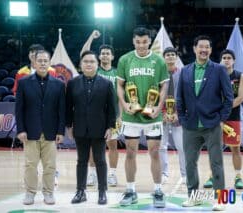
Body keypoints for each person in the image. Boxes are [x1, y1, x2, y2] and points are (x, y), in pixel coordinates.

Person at [176, 35, 233, 210]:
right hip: (190, 126)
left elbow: (229, 98)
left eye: (207, 47)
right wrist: (183, 119)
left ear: (210, 50)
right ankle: (193, 196)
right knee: (189, 163)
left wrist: (221, 119)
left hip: (212, 125)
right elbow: (179, 99)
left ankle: (221, 200)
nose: (204, 50)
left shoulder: (219, 70)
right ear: (194, 49)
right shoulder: (185, 71)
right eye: (201, 47)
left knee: (216, 163)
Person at [116, 27, 169, 208]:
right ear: (133, 41)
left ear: (149, 41)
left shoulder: (159, 61)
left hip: (152, 116)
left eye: (144, 42)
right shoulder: (125, 60)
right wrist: (124, 105)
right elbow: (120, 85)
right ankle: (130, 190)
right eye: (138, 42)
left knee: (155, 152)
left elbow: (164, 87)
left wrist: (159, 107)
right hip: (131, 116)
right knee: (130, 152)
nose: (141, 45)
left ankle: (158, 190)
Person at [15, 50, 65, 205]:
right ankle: (30, 193)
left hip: (50, 132)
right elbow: (19, 109)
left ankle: (48, 193)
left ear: (50, 63)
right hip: (30, 132)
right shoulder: (23, 83)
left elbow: (61, 110)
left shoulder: (59, 84)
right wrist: (21, 129)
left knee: (50, 165)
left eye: (45, 60)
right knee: (30, 165)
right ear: (34, 63)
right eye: (40, 60)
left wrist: (60, 131)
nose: (43, 63)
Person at [66, 50, 116, 205]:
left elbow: (112, 109)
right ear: (81, 65)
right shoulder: (72, 83)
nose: (89, 64)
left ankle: (102, 192)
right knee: (81, 161)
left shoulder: (107, 83)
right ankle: (80, 191)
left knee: (100, 160)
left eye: (92, 62)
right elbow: (68, 107)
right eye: (86, 61)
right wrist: (68, 125)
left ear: (97, 64)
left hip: (99, 128)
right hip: (79, 128)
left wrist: (110, 127)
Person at [81, 30, 121, 187]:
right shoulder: (94, 70)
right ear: (99, 56)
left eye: (107, 54)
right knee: (93, 145)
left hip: (112, 115)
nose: (105, 56)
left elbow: (120, 95)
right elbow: (84, 53)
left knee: (112, 145)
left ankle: (112, 174)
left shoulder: (118, 73)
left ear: (112, 57)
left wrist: (120, 115)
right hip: (95, 115)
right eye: (102, 53)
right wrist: (91, 37)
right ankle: (92, 174)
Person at [203, 49, 243, 190]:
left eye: (229, 57)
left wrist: (225, 109)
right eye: (224, 57)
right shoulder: (214, 76)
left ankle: (238, 177)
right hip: (216, 118)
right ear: (221, 60)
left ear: (233, 61)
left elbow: (240, 98)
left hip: (233, 118)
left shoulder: (240, 76)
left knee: (235, 149)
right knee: (214, 149)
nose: (226, 60)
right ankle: (211, 176)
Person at [159, 47, 186, 185]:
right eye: (167, 54)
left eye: (172, 55)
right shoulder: (158, 74)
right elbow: (154, 95)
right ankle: (163, 173)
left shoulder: (183, 74)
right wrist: (161, 112)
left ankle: (185, 175)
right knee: (161, 147)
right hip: (161, 116)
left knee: (181, 147)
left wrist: (178, 113)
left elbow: (186, 96)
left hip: (178, 116)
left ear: (176, 58)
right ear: (164, 58)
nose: (170, 57)